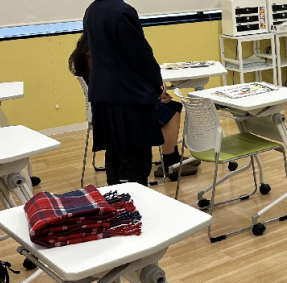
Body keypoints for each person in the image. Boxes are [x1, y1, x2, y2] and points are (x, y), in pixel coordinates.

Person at [68, 33, 201, 181]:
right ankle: (170, 161)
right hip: (126, 112)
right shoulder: (99, 56)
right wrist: (155, 95)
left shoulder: (83, 56)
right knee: (172, 110)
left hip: (102, 113)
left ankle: (172, 158)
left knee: (168, 106)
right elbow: (126, 87)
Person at [82, 0, 166, 186]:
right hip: (129, 98)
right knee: (135, 162)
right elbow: (141, 57)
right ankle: (134, 204)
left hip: (105, 97)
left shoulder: (92, 11)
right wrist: (158, 86)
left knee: (115, 158)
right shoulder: (122, 11)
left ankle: (116, 202)